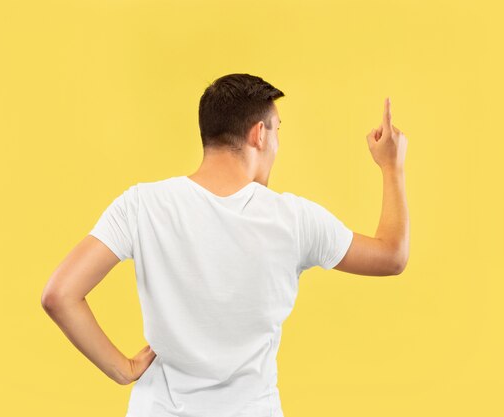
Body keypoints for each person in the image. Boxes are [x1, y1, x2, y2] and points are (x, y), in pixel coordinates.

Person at [41, 73, 410, 417]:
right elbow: (392, 256)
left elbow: (59, 294)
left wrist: (123, 370)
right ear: (259, 135)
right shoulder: (294, 220)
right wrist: (391, 167)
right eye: (278, 130)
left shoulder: (141, 205)